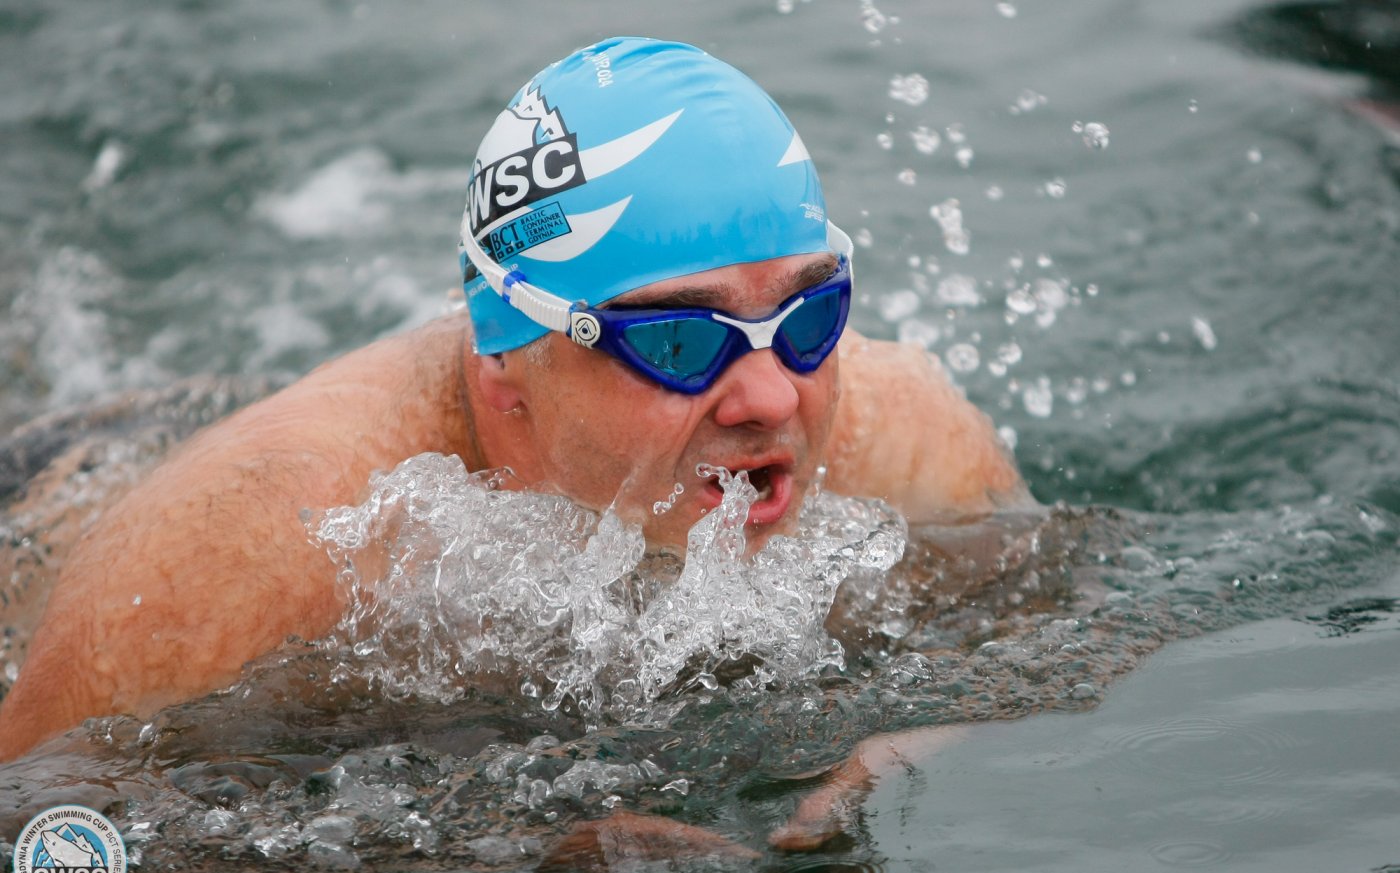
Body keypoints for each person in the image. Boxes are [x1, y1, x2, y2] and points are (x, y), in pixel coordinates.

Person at [0, 37, 1027, 762]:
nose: (768, 396)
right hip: (66, 491)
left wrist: (906, 746)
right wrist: (491, 840)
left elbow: (1042, 621)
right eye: (677, 339)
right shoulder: (242, 553)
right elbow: (46, 843)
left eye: (808, 314)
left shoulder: (898, 427)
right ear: (505, 366)